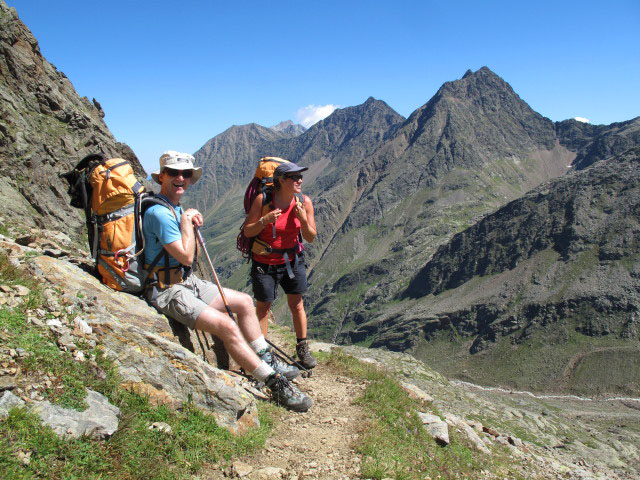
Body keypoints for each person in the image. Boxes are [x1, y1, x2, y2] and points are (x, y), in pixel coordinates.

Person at [143, 150, 311, 412]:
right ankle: (273, 381)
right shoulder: (160, 214)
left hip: (186, 282)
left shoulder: (172, 208)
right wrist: (188, 222)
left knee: (244, 302)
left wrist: (187, 220)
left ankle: (266, 358)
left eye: (186, 174)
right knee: (225, 325)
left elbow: (188, 257)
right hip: (166, 290)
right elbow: (187, 257)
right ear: (161, 176)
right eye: (174, 173)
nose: (181, 179)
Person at [243, 161, 318, 369]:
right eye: (294, 177)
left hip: (292, 261)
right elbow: (248, 231)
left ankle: (302, 347)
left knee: (297, 304)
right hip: (265, 263)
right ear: (281, 180)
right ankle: (262, 353)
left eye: (300, 177)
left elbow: (311, 237)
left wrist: (303, 220)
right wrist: (264, 221)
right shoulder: (263, 200)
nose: (299, 180)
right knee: (263, 308)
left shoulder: (304, 202)